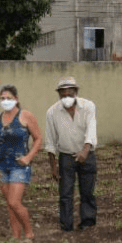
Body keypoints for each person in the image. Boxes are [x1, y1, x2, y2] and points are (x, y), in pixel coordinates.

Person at [44, 76, 98, 232]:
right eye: (63, 94)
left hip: (87, 154)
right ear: (59, 94)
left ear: (76, 92)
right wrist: (53, 166)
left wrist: (85, 151)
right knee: (65, 193)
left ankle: (88, 223)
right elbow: (50, 140)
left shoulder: (88, 106)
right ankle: (66, 226)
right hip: (66, 156)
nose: (66, 97)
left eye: (69, 93)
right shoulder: (52, 112)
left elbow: (91, 130)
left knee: (87, 190)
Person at [0, 85, 42, 239]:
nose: (5, 101)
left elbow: (38, 139)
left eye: (9, 98)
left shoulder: (25, 116)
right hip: (1, 166)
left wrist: (28, 157)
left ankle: (29, 232)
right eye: (2, 98)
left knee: (14, 202)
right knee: (10, 205)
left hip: (19, 165)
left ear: (16, 99)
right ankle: (15, 236)